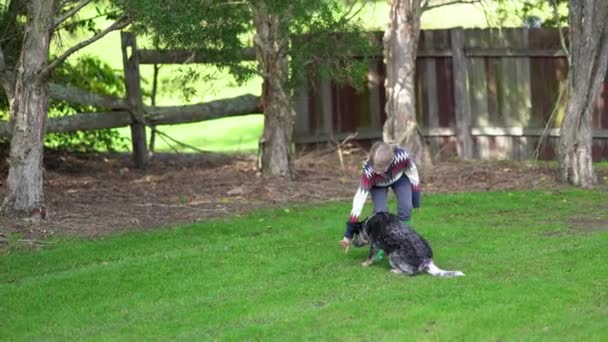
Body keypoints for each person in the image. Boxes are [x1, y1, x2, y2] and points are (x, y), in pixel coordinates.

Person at [340, 141, 420, 255]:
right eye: (375, 168)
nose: (377, 171)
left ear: (391, 162)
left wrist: (415, 198)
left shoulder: (402, 157)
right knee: (380, 213)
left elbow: (412, 173)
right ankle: (380, 246)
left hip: (399, 178)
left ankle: (403, 240)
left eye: (380, 170)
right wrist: (348, 235)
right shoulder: (369, 172)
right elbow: (359, 201)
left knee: (406, 207)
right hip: (377, 185)